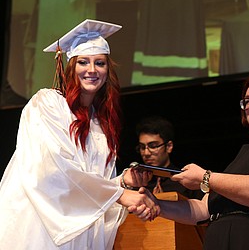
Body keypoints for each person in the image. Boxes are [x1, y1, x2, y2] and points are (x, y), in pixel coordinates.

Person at [0, 19, 159, 250]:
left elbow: (89, 189)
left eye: (100, 63)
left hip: (79, 231)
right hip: (40, 225)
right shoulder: (47, 104)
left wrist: (122, 181)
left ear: (108, 70)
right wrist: (119, 194)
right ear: (70, 67)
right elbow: (52, 171)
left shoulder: (99, 124)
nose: (92, 70)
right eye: (83, 62)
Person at [130, 71, 249, 249]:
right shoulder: (246, 155)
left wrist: (205, 177)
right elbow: (202, 209)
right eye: (247, 100)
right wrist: (155, 203)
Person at [133, 115, 203, 199]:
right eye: (142, 147)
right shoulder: (135, 184)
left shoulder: (185, 181)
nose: (146, 153)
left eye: (153, 146)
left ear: (169, 146)